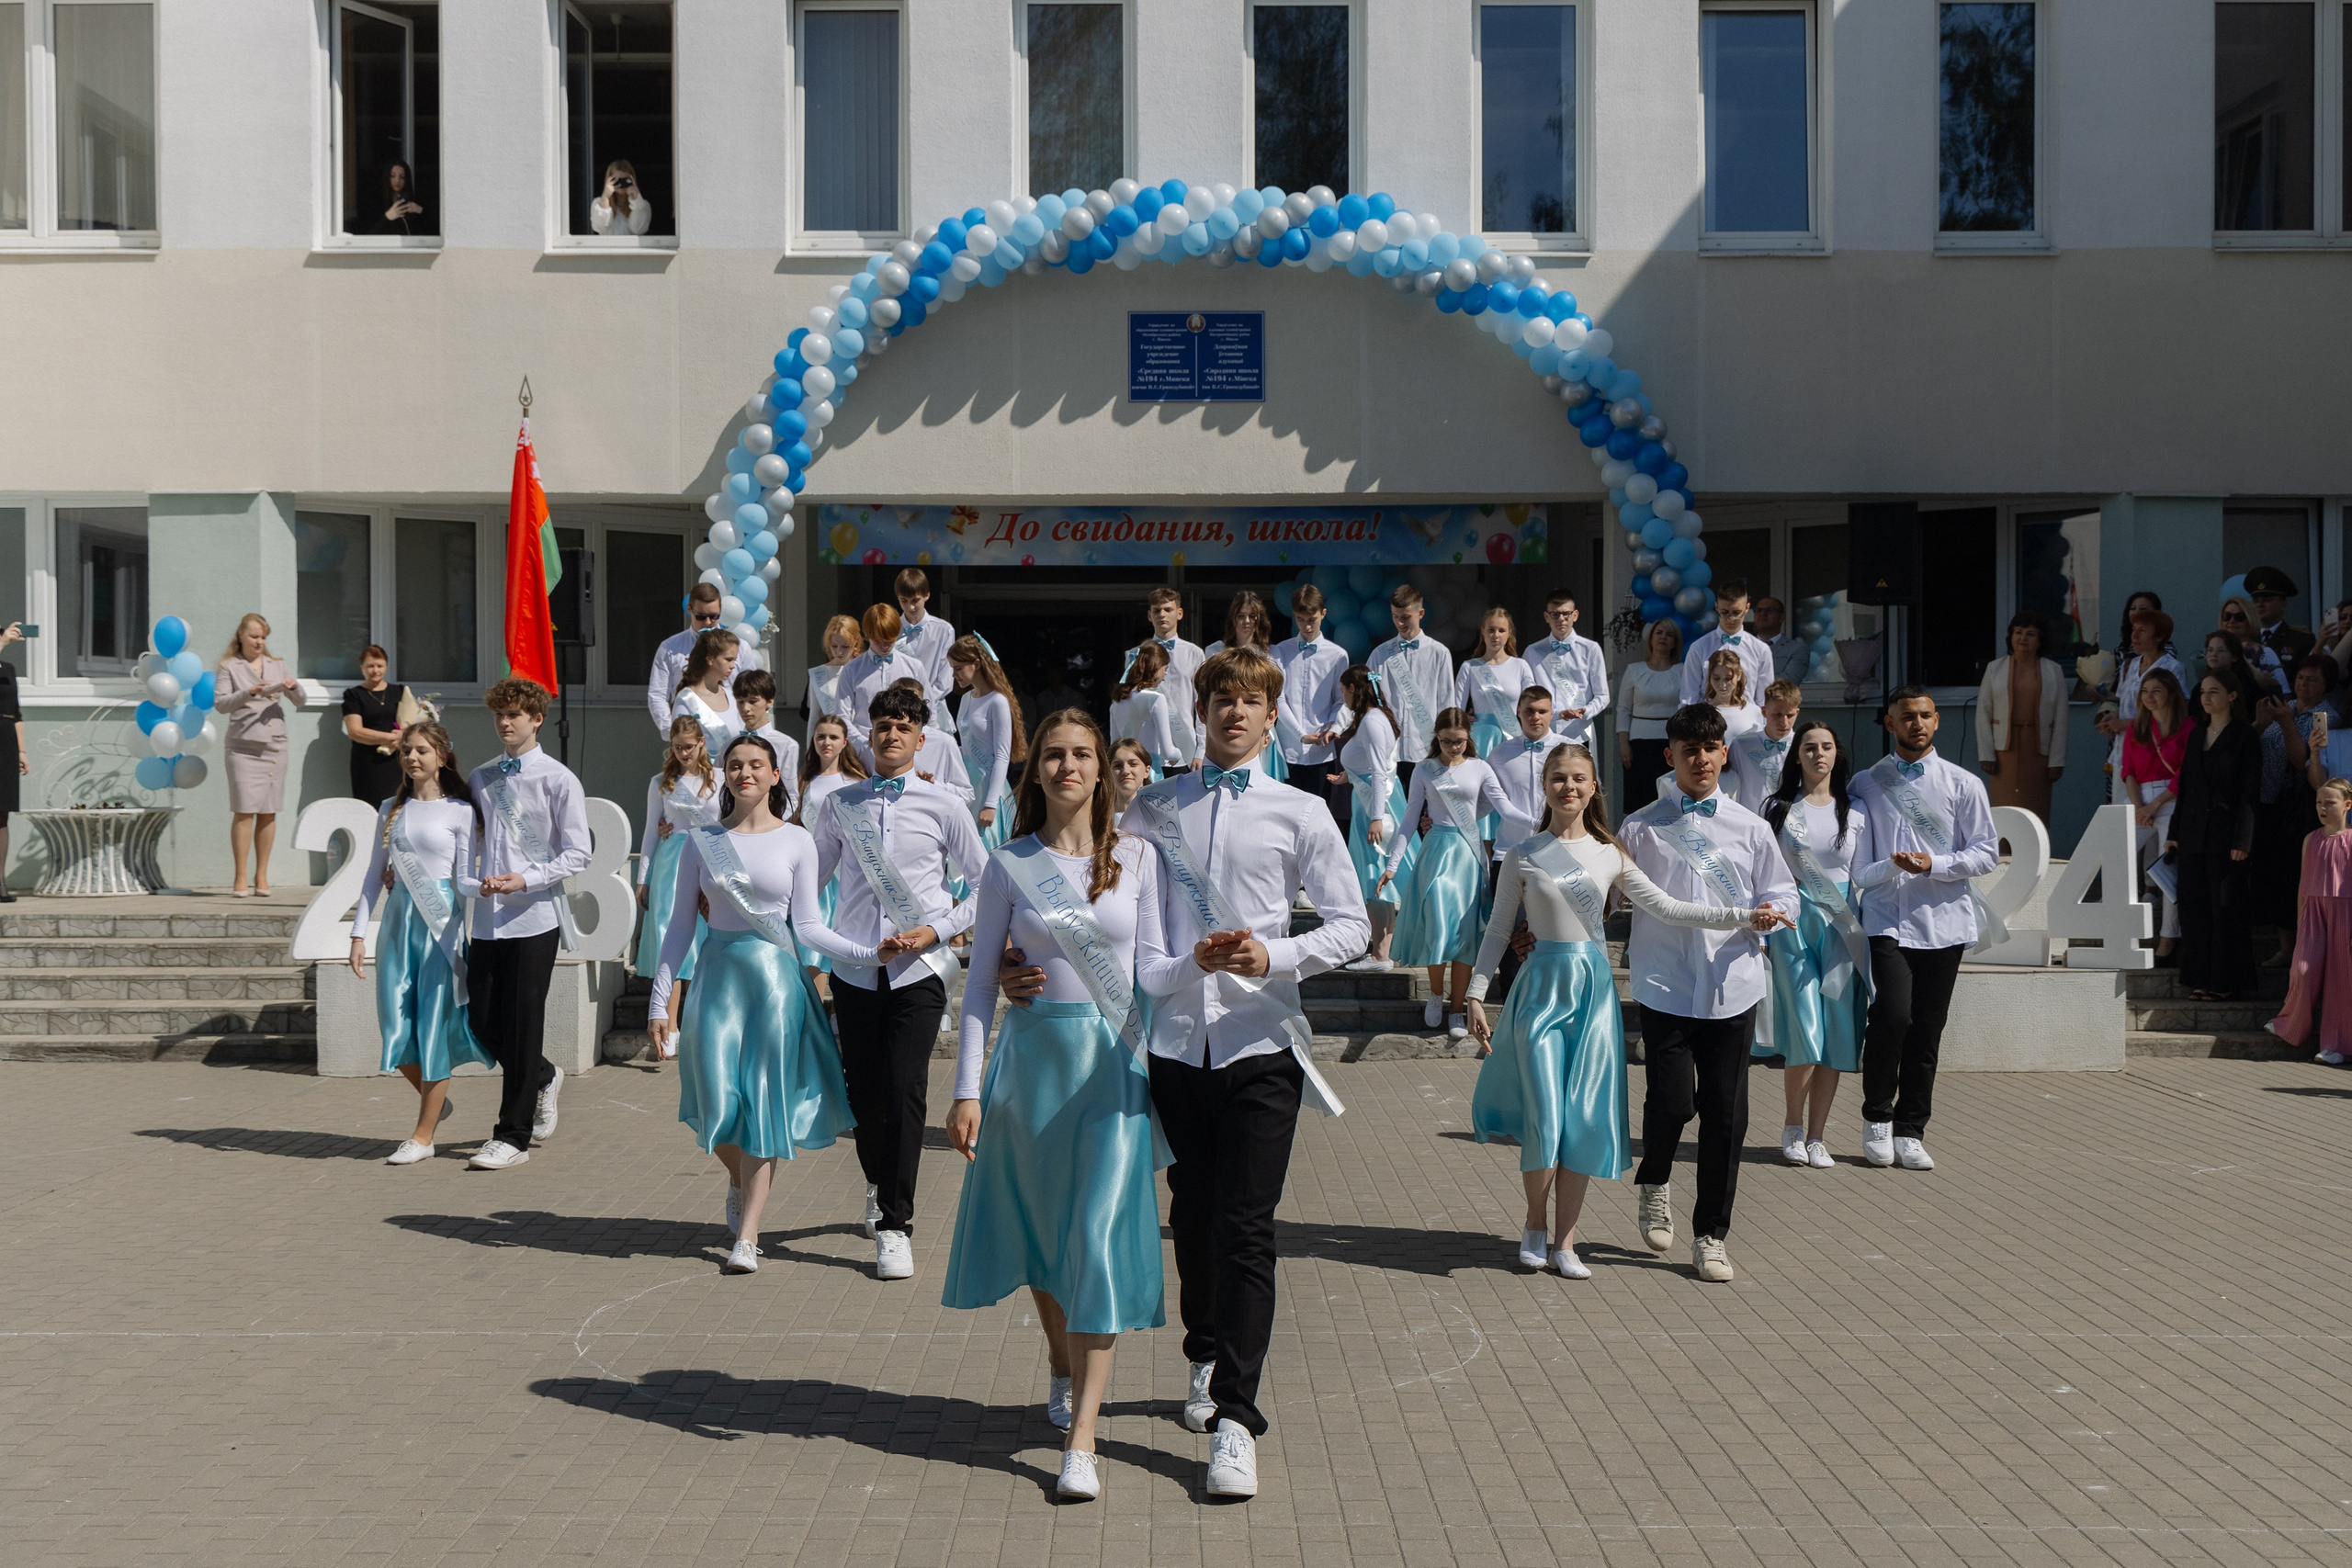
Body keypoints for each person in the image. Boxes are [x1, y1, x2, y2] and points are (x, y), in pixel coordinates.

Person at [1120, 646, 1371, 1500]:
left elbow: (1352, 925)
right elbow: (1119, 916)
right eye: (1221, 698)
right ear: (1202, 711)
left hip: (1262, 1046)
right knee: (1190, 1215)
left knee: (1248, 1224)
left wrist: (1275, 954)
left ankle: (1237, 1418)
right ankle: (1202, 1350)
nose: (1235, 712)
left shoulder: (1299, 810)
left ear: (1272, 716)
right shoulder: (1153, 807)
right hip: (1176, 1041)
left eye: (1251, 700)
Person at [942, 710, 1171, 1501]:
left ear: (1104, 770)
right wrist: (967, 1087)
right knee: (1047, 1235)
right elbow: (978, 985)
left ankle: (1083, 1441)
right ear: (1034, 770)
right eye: (1053, 755)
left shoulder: (1138, 857)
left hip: (1113, 1069)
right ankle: (1059, 1361)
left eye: (1082, 754)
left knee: (1098, 1236)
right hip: (1032, 1064)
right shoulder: (1010, 863)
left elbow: (1155, 969)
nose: (1068, 766)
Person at [1467, 744, 1774, 1277]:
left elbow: (1669, 906)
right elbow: (1498, 929)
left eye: (1579, 779)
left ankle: (1566, 1242)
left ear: (1593, 788)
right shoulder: (1523, 853)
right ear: (1545, 786)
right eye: (1559, 778)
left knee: (1582, 1115)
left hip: (1591, 992)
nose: (1569, 787)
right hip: (1540, 990)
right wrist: (1475, 992)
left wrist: (1744, 914)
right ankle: (1534, 1224)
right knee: (1545, 1113)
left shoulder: (1611, 854)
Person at [649, 735, 876, 1276]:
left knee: (762, 1106)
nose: (744, 773)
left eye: (756, 765)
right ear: (723, 775)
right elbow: (679, 926)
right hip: (716, 979)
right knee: (717, 1103)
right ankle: (737, 1176)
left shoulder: (797, 841)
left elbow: (810, 927)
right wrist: (663, 1001)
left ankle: (748, 1236)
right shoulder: (700, 841)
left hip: (775, 985)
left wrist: (869, 954)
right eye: (735, 765)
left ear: (777, 775)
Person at [810, 684, 989, 1279]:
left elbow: (986, 887)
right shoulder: (841, 804)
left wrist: (937, 931)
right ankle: (875, 1178)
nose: (892, 733)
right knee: (864, 1097)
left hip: (920, 972)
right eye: (883, 724)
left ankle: (895, 1223)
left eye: (904, 725)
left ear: (921, 737)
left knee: (905, 1085)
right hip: (856, 969)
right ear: (869, 733)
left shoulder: (944, 806)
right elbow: (806, 879)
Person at [1619, 704, 1797, 1283]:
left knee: (1728, 1115)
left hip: (1732, 984)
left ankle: (1711, 1234)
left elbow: (1783, 892)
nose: (1700, 760)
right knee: (1672, 1104)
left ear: (1725, 753)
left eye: (1710, 748)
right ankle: (1654, 1180)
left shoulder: (1750, 827)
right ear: (1670, 756)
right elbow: (1613, 894)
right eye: (1688, 750)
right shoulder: (1641, 826)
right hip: (1665, 982)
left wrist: (1776, 913)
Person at [1848, 688, 2000, 1173]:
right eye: (1906, 717)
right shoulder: (1867, 783)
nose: (1917, 723)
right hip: (1887, 918)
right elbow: (1859, 861)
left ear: (1936, 722)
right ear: (1889, 723)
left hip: (1945, 923)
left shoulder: (1964, 783)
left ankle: (1912, 1129)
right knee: (1891, 1017)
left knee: (1927, 1030)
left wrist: (1934, 863)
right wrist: (1891, 867)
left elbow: (1986, 852)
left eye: (1925, 716)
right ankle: (1877, 1117)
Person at [462, 679, 592, 1171]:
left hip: (534, 918)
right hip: (488, 920)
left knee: (522, 1024)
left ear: (537, 718)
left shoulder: (558, 780)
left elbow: (579, 851)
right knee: (480, 1020)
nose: (505, 723)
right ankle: (541, 1074)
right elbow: (470, 840)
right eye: (499, 715)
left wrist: (528, 878)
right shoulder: (481, 777)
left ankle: (511, 1136)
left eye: (515, 714)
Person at [348, 723, 491, 1165]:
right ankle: (437, 1101)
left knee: (432, 1028)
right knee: (395, 1026)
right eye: (406, 750)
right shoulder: (390, 807)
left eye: (422, 750)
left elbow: (463, 878)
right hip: (396, 926)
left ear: (442, 757)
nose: (412, 757)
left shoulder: (461, 811)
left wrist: (484, 889)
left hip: (441, 928)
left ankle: (424, 1136)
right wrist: (357, 932)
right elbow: (374, 875)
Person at [1758, 721, 1883, 1168]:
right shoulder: (1776, 807)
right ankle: (1792, 1127)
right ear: (1797, 756)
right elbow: (1762, 871)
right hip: (1795, 925)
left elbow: (1863, 873)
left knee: (1835, 1032)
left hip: (1842, 925)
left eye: (1826, 746)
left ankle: (1817, 1136)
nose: (1818, 754)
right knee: (1806, 1028)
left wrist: (1900, 868)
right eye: (1809, 747)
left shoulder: (1857, 810)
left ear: (1837, 754)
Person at [1379, 706, 1521, 1038]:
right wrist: (1392, 864)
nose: (1452, 747)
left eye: (1458, 742)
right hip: (1436, 853)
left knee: (1464, 934)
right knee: (1437, 923)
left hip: (1469, 855)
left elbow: (1504, 809)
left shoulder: (1480, 767)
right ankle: (1435, 993)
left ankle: (1457, 1010)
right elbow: (1411, 817)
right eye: (1445, 741)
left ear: (1468, 738)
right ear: (1436, 738)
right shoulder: (1424, 769)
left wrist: (1547, 822)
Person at [2168, 672, 2262, 1001]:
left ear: (2233, 696)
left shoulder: (2245, 737)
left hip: (2227, 838)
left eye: (2214, 691)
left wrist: (2243, 841)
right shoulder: (2196, 735)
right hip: (2193, 835)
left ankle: (2224, 981)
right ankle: (2199, 978)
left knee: (2225, 909)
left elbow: (2250, 793)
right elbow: (2185, 789)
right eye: (2203, 692)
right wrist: (2174, 833)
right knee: (2194, 909)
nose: (2206, 698)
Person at [636, 716, 723, 1024]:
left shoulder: (722, 779)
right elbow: (649, 832)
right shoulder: (660, 782)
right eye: (677, 748)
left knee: (706, 938)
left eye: (689, 746)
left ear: (701, 743)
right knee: (669, 939)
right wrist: (642, 878)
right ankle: (669, 1024)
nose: (684, 753)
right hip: (671, 863)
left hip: (710, 860)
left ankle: (703, 1022)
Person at [215, 613, 305, 897]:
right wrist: (249, 691)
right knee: (244, 810)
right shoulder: (229, 666)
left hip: (274, 747)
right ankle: (240, 876)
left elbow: (301, 701)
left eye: (263, 637)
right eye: (254, 636)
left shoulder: (277, 665)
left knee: (268, 811)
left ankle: (261, 875)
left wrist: (293, 687)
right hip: (243, 747)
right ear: (241, 635)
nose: (259, 641)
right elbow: (221, 704)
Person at [2266, 777, 2352, 1064]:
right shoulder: (2310, 839)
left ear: (2347, 805)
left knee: (2342, 978)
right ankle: (2289, 1024)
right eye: (2319, 802)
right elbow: (2304, 883)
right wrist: (2302, 920)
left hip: (2345, 913)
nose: (2323, 808)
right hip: (2313, 913)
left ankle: (2336, 1046)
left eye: (2330, 802)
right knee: (2303, 969)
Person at [2255, 653, 2341, 937]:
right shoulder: (2284, 707)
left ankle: (2304, 943)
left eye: (2313, 680)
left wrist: (2288, 723)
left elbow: (2302, 762)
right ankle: (2284, 946)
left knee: (2296, 875)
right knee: (2275, 877)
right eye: (2301, 678)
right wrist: (2261, 723)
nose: (2304, 684)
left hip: (2301, 808)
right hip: (2269, 801)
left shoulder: (2327, 718)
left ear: (2326, 686)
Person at [1336, 663, 1411, 970]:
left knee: (1375, 874)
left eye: (1342, 689)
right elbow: (1369, 765)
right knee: (1373, 874)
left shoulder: (1371, 721)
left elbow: (1381, 771)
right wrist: (1346, 777)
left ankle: (1382, 954)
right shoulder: (1372, 718)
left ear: (1353, 689)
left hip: (1376, 807)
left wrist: (1377, 817)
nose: (1341, 695)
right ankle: (1381, 949)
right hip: (1370, 803)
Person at [2120, 669, 2191, 964]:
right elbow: (2128, 772)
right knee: (2118, 855)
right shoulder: (2136, 729)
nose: (2149, 697)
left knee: (2167, 873)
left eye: (2156, 691)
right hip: (2140, 799)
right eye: (2145, 691)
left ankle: (2167, 939)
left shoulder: (2188, 728)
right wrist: (2140, 807)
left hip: (2171, 801)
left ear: (2171, 694)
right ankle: (2120, 928)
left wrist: (2154, 806)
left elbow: (2185, 774)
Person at [791, 713, 867, 987]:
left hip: (846, 873)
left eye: (833, 737)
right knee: (813, 947)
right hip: (814, 870)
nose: (826, 742)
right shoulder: (804, 780)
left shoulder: (857, 781)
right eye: (821, 736)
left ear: (845, 742)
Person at [1974, 612, 2070, 824]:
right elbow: (1983, 713)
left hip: (2038, 750)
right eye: (2018, 633)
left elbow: (2061, 718)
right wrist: (1986, 753)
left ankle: (2037, 852)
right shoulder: (1995, 669)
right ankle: (2004, 854)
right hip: (2003, 751)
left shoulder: (2053, 671)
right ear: (2011, 637)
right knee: (2005, 807)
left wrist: (2057, 760)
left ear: (2040, 640)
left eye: (2030, 634)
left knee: (2035, 809)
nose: (2023, 638)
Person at [2096, 608, 2187, 804]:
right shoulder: (2131, 665)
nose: (2134, 635)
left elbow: (2175, 715)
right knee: (2123, 816)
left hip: (2152, 753)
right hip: (2125, 751)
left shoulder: (2172, 668)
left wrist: (2127, 724)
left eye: (2142, 630)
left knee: (2148, 816)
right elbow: (2124, 703)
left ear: (2159, 636)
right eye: (2133, 629)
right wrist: (2113, 718)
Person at [1272, 584, 1348, 817]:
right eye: (1300, 619)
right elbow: (1278, 698)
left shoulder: (1338, 655)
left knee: (1318, 817)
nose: (1306, 626)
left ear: (1323, 614)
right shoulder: (1279, 651)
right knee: (1286, 817)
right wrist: (1300, 735)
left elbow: (1341, 700)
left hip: (1322, 752)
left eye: (1312, 619)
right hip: (1287, 750)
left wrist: (1333, 728)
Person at [1368, 584, 1455, 786]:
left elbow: (1446, 703)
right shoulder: (1380, 654)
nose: (1399, 622)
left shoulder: (1439, 653)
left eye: (1405, 617)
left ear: (1420, 613)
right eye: (1395, 616)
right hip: (1389, 751)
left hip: (1425, 750)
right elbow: (1370, 702)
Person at [948, 634, 1027, 850]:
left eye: (958, 668)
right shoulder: (965, 699)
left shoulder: (998, 701)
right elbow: (963, 745)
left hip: (990, 787)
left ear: (977, 664)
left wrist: (990, 804)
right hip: (968, 787)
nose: (953, 674)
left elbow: (1002, 755)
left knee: (987, 848)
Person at [650, 583, 761, 737]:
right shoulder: (670, 647)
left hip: (732, 733)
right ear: (690, 609)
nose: (708, 622)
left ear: (721, 610)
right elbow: (657, 694)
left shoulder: (741, 647)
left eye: (714, 616)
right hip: (688, 736)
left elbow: (751, 691)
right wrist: (671, 731)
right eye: (701, 616)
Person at [1487, 687, 1567, 882]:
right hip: (1509, 852)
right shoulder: (1499, 755)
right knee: (1505, 914)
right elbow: (1481, 802)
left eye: (1542, 711)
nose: (1535, 717)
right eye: (1529, 711)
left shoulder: (1569, 750)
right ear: (1518, 711)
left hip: (1560, 850)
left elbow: (1590, 798)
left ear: (1552, 713)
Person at [1126, 586, 1206, 765]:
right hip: (1146, 746)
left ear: (1179, 613)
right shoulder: (1134, 655)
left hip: (1185, 745)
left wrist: (1201, 749)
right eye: (1157, 610)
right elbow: (1126, 701)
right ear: (1149, 615)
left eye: (1168, 610)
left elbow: (1202, 702)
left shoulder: (1195, 653)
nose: (1162, 614)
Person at [1521, 592, 1610, 748]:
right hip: (1544, 732)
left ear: (1575, 615)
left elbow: (1602, 695)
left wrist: (1585, 711)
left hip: (1580, 733)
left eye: (1566, 614)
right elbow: (1526, 693)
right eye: (1555, 614)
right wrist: (1555, 714)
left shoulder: (1591, 649)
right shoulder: (1533, 651)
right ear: (1546, 617)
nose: (1561, 619)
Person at [1615, 619, 1683, 814]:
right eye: (1659, 633)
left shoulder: (1682, 670)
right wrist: (1623, 744)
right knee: (1641, 800)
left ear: (1675, 642)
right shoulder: (1634, 670)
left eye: (1669, 634)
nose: (1663, 637)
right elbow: (1623, 709)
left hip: (1671, 743)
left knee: (1669, 798)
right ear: (1651, 639)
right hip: (1639, 744)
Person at [1454, 608, 1535, 758]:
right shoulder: (1470, 667)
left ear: (1509, 633)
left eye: (1501, 630)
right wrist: (1462, 719)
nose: (1496, 635)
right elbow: (1456, 707)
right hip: (1480, 738)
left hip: (1512, 737)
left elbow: (1532, 705)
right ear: (1483, 631)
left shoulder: (1521, 666)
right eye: (1491, 630)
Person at [1678, 580, 1772, 707]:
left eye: (1736, 613)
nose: (1730, 618)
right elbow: (1689, 698)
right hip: (1708, 721)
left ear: (1747, 608)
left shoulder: (1760, 649)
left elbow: (1764, 701)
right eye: (1725, 612)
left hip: (1748, 723)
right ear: (1717, 607)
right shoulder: (1699, 647)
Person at [891, 569, 961, 735]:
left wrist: (920, 702)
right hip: (896, 709)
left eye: (915, 600)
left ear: (927, 595)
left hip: (933, 709)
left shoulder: (944, 630)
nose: (911, 606)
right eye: (904, 601)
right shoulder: (892, 629)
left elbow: (945, 679)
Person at [340, 645, 409, 808]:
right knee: (370, 808)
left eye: (380, 666)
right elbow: (355, 731)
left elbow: (411, 722)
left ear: (386, 666)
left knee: (399, 806)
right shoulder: (354, 695)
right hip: (368, 762)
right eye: (370, 666)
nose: (375, 670)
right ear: (361, 667)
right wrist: (390, 737)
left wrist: (403, 735)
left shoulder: (399, 691)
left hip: (397, 760)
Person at [836, 603, 922, 731]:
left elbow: (927, 713)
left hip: (904, 742)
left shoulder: (914, 667)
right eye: (878, 641)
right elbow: (842, 716)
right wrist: (862, 744)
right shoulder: (851, 670)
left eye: (889, 641)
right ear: (867, 635)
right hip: (864, 741)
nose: (884, 646)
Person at [731, 669, 801, 816]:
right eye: (740, 702)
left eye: (753, 701)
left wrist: (774, 826)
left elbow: (791, 795)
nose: (746, 708)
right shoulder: (730, 746)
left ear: (769, 701)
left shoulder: (786, 745)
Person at [1110, 642, 1183, 776]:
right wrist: (1180, 753)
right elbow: (1168, 751)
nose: (1164, 676)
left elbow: (1114, 745)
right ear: (1155, 668)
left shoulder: (1117, 700)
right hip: (1149, 771)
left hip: (1124, 773)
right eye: (1164, 669)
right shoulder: (1156, 698)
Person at [1728, 679, 1802, 811]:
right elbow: (1730, 785)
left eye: (1790, 715)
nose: (1784, 722)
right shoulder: (1741, 745)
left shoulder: (1803, 746)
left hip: (1789, 823)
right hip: (1750, 822)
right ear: (1764, 711)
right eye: (1777, 715)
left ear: (1797, 713)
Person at [673, 628, 742, 752]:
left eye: (734, 660)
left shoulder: (732, 696)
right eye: (728, 659)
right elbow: (680, 748)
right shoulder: (686, 699)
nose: (733, 665)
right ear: (710, 659)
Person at [804, 614, 863, 744]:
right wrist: (809, 755)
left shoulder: (864, 670)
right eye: (834, 646)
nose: (839, 652)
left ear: (855, 643)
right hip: (831, 744)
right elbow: (813, 718)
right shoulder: (819, 674)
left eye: (845, 646)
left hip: (860, 742)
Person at [2245, 565, 2315, 665]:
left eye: (2267, 599)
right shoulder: (2247, 637)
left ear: (2282, 604)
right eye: (2256, 600)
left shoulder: (2301, 640)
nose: (2260, 605)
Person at [0, 621, 24, 900]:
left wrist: (22, 752)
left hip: (6, 740)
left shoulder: (9, 670)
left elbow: (16, 713)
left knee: (2, 813)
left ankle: (0, 883)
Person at [2218, 597, 2289, 691]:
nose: (2232, 621)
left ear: (2250, 619)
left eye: (2239, 617)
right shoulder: (2214, 652)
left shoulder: (2266, 653)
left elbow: (2285, 692)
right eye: (2227, 616)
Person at [2200, 629, 2268, 718]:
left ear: (2234, 657)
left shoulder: (2248, 686)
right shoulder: (2199, 687)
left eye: (2220, 650)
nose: (2213, 654)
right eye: (2210, 650)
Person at [1702, 648, 1761, 744]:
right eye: (1716, 678)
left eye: (1728, 678)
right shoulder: (1701, 712)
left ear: (1739, 675)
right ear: (1709, 677)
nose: (1722, 685)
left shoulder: (1753, 711)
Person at [1754, 596, 1810, 686]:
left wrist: (1747, 682)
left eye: (1769, 610)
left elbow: (1788, 682)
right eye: (1758, 610)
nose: (1762, 614)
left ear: (1781, 617)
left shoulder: (1797, 649)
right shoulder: (1741, 646)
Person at [589, 160, 653, 236]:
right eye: (617, 180)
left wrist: (636, 198)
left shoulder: (643, 205)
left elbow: (638, 230)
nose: (621, 184)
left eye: (625, 180)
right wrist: (606, 196)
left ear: (632, 180)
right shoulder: (598, 203)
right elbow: (600, 228)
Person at [374, 159, 427, 235]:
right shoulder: (376, 202)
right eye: (393, 176)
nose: (397, 181)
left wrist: (420, 211)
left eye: (402, 177)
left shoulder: (414, 200)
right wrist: (387, 217)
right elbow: (369, 234)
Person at [1108, 737, 1155, 808]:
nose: (1125, 771)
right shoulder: (1098, 815)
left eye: (1133, 764)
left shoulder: (1159, 815)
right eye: (1118, 766)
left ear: (1146, 771)